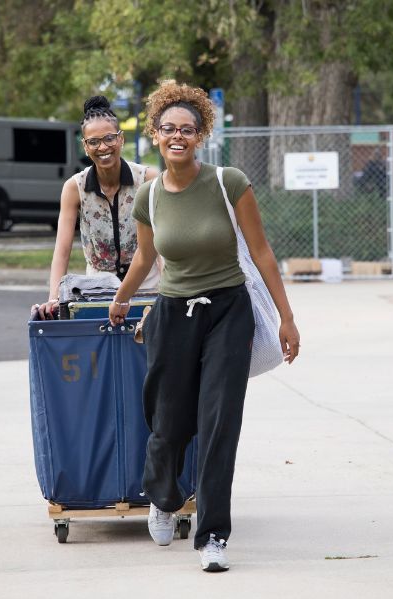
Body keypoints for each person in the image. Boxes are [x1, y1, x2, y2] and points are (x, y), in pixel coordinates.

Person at [108, 80, 300, 572]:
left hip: (227, 313)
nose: (178, 136)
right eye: (168, 128)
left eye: (187, 129)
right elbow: (146, 257)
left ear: (200, 135)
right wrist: (122, 297)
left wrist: (287, 318)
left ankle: (214, 535)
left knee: (219, 424)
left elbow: (261, 254)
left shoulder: (227, 182)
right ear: (154, 133)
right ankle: (165, 497)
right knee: (168, 421)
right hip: (172, 315)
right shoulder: (148, 196)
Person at [35, 96, 160, 319]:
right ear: (85, 146)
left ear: (121, 139)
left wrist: (170, 289)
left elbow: (162, 240)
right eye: (93, 142)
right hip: (97, 289)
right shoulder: (75, 187)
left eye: (109, 138)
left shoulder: (148, 179)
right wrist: (54, 298)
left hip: (147, 284)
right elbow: (62, 250)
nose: (103, 147)